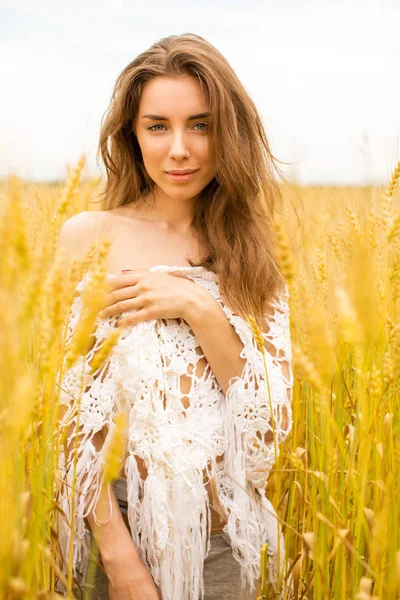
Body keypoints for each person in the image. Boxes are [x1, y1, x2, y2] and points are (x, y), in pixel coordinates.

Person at [55, 33, 294, 600]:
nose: (179, 149)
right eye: (157, 126)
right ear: (132, 135)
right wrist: (120, 563)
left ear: (228, 133)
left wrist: (198, 307)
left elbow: (267, 416)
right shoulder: (90, 239)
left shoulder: (255, 252)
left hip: (226, 544)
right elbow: (66, 418)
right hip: (115, 538)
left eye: (202, 125)